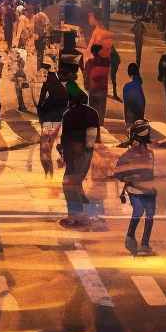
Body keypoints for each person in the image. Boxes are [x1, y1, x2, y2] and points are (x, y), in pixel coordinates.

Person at [56, 83, 101, 230]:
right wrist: (88, 151)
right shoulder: (92, 113)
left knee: (69, 185)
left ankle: (76, 216)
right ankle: (86, 211)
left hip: (74, 155)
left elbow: (65, 139)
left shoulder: (69, 115)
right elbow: (94, 136)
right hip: (86, 154)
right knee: (76, 184)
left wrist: (63, 152)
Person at [113, 118, 157, 256]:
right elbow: (118, 173)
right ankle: (130, 236)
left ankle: (145, 243)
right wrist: (130, 178)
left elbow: (151, 172)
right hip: (134, 190)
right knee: (138, 211)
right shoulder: (128, 155)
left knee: (150, 216)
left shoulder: (150, 154)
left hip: (149, 190)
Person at [36, 62, 70, 176]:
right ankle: (61, 161)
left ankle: (48, 169)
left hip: (49, 118)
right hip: (58, 117)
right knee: (58, 141)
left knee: (46, 145)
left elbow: (41, 100)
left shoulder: (48, 83)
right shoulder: (60, 84)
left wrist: (40, 109)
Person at [83, 43, 110, 126]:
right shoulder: (106, 61)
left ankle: (93, 125)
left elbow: (86, 76)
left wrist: (87, 86)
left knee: (93, 109)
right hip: (103, 88)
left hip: (93, 88)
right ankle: (100, 125)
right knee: (101, 110)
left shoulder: (90, 63)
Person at [122, 63, 146, 132]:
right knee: (138, 126)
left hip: (130, 108)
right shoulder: (138, 85)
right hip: (139, 107)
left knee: (131, 126)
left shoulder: (127, 87)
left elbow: (126, 102)